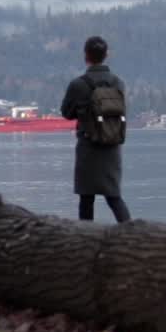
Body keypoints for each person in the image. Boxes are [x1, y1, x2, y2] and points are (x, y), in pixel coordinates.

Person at [60, 36, 132, 223]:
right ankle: (131, 232)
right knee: (114, 197)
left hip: (88, 145)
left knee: (86, 198)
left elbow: (66, 113)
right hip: (112, 145)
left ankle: (86, 238)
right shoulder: (119, 83)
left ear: (86, 56)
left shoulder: (78, 84)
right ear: (106, 55)